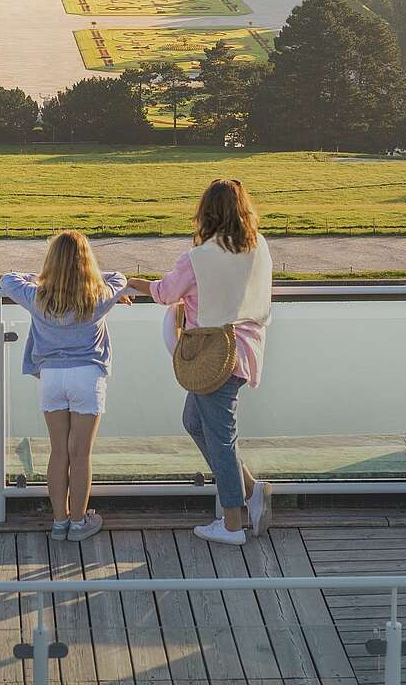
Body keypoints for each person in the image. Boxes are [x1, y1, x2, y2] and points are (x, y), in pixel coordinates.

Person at [127, 178, 273, 546]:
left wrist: (136, 283)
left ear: (206, 213)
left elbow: (166, 293)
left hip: (213, 356)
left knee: (221, 439)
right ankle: (251, 489)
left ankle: (232, 522)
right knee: (194, 421)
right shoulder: (258, 248)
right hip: (246, 348)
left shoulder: (198, 258)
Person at [1, 231, 130, 541]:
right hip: (87, 376)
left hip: (51, 379)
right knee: (81, 454)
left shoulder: (38, 298)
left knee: (59, 451)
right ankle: (79, 521)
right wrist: (95, 278)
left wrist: (42, 278)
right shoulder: (98, 297)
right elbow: (121, 278)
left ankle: (59, 523)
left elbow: (7, 279)